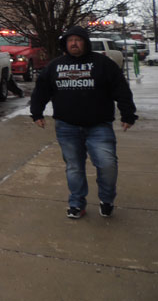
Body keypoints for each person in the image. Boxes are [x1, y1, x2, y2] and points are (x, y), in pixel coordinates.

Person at [30, 26, 137, 219]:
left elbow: (120, 89)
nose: (74, 43)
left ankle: (107, 199)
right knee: (74, 167)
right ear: (65, 44)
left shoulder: (103, 64)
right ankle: (76, 204)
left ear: (85, 42)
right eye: (70, 40)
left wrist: (128, 114)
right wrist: (36, 112)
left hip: (99, 125)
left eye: (78, 40)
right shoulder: (55, 66)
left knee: (107, 165)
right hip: (66, 126)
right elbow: (41, 90)